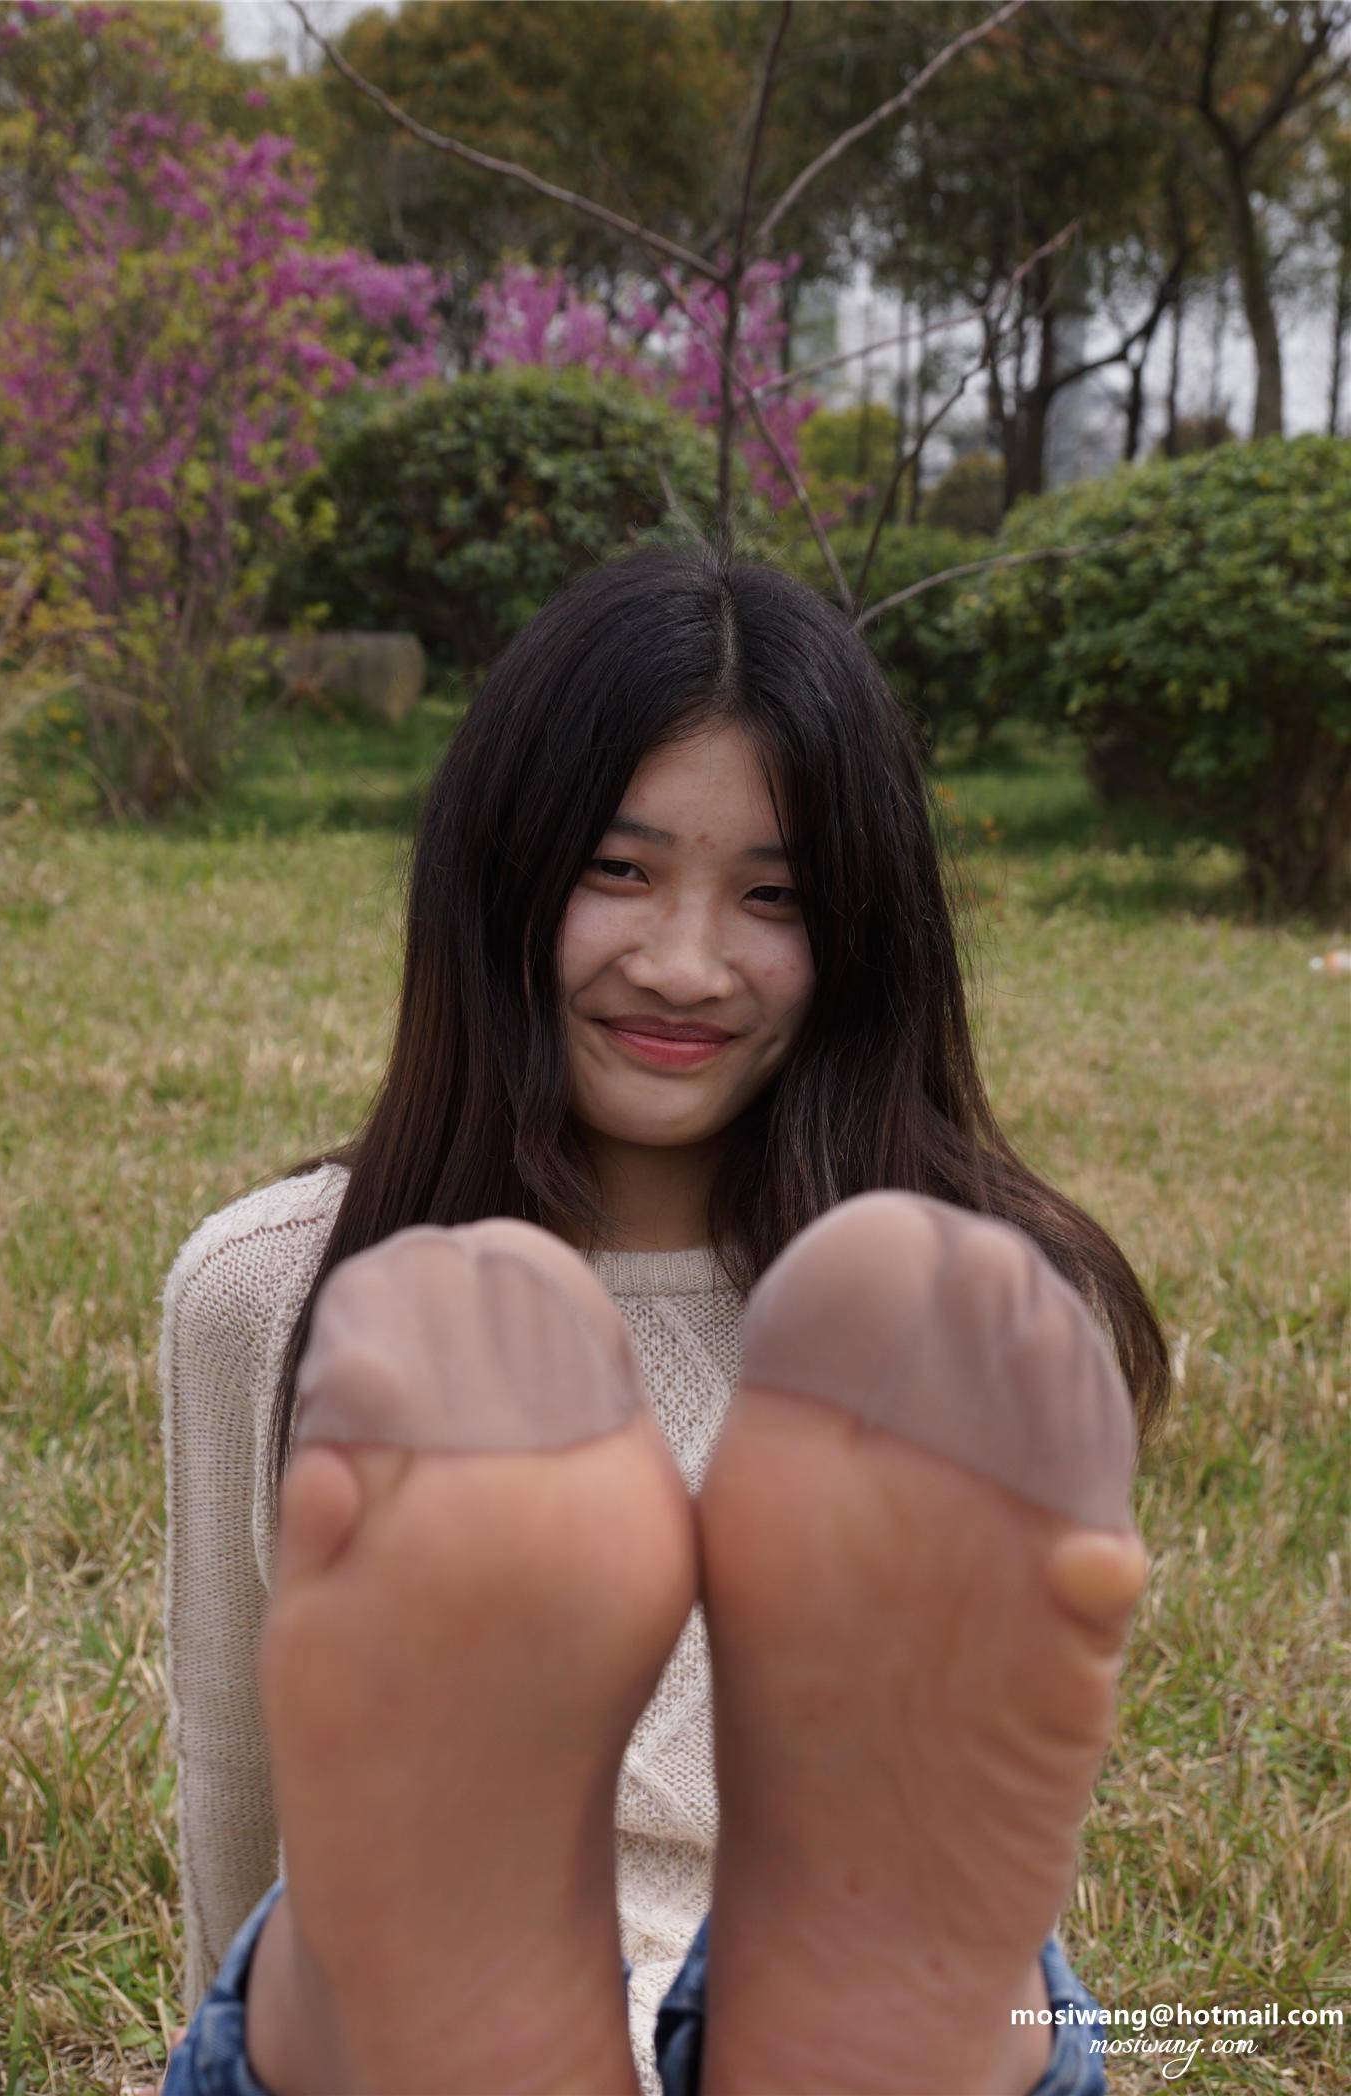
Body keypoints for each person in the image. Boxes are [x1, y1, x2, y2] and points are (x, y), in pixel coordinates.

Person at [155, 544, 1167, 2096]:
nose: (687, 965)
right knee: (360, 1953)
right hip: (402, 2019)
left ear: (867, 931)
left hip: (826, 2012)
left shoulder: (967, 1339)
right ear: (496, 870)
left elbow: (981, 1804)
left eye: (775, 896)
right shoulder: (268, 1286)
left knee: (915, 1965)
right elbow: (240, 1761)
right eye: (618, 872)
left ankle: (828, 1969)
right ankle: (452, 1967)